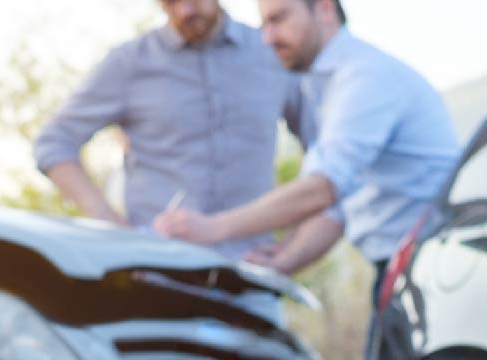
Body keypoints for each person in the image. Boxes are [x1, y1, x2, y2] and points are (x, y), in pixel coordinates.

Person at [153, 0, 458, 291]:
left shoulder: (365, 77)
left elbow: (321, 190)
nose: (267, 38)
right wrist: (282, 259)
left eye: (278, 19)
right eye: (264, 24)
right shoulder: (327, 85)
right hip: (404, 265)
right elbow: (339, 208)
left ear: (324, 9)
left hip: (435, 265)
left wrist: (213, 228)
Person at [33, 0, 300, 259]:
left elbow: (328, 158)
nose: (184, 11)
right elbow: (54, 142)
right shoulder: (130, 62)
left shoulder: (272, 53)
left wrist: (292, 250)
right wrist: (114, 229)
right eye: (170, 2)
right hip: (158, 272)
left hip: (252, 274)